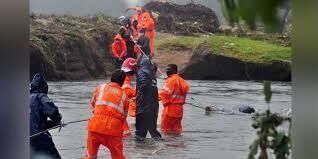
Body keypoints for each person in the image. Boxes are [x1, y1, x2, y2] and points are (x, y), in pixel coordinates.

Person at [83, 70, 128, 159]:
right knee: (117, 157)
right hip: (113, 130)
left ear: (111, 79)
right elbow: (123, 117)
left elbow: (93, 104)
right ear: (122, 83)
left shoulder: (100, 87)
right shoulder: (124, 96)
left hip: (95, 126)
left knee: (90, 156)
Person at [30, 73, 62, 159]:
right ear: (44, 86)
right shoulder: (40, 96)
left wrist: (53, 124)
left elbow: (34, 122)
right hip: (39, 137)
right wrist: (58, 119)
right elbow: (52, 111)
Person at [135, 54, 162, 141]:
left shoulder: (142, 71)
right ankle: (161, 146)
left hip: (144, 106)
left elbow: (144, 84)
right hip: (154, 107)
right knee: (153, 130)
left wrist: (138, 95)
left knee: (140, 133)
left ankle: (140, 151)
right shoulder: (152, 74)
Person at [159, 64, 189, 135]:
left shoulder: (172, 80)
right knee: (177, 131)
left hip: (170, 110)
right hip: (179, 110)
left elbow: (164, 93)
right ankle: (176, 145)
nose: (167, 71)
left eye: (169, 70)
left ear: (175, 71)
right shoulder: (182, 81)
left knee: (165, 131)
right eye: (167, 70)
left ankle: (168, 145)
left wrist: (151, 98)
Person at [121, 58, 138, 136]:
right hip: (120, 115)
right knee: (126, 134)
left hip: (120, 113)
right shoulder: (125, 79)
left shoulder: (122, 77)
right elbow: (128, 92)